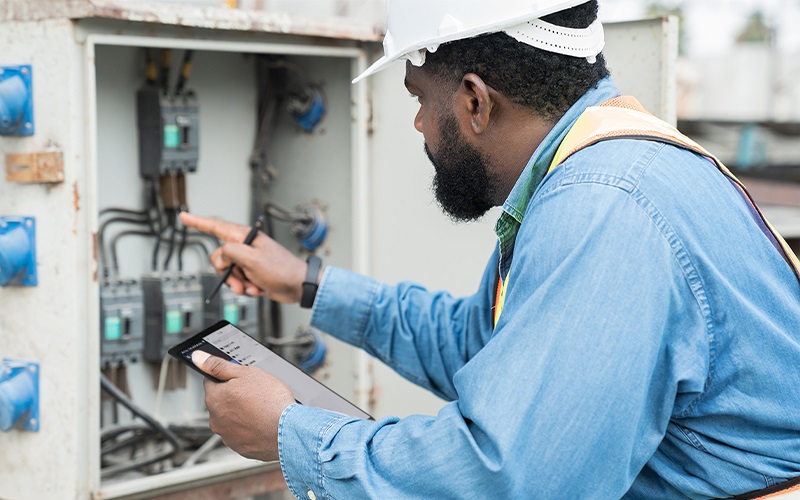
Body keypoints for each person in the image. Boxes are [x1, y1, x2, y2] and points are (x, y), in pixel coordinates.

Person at [180, 1, 800, 498]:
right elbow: (484, 347)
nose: (420, 124)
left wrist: (290, 434)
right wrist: (307, 284)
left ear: (475, 101)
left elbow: (508, 481)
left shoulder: (601, 206)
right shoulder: (605, 167)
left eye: (420, 98)